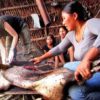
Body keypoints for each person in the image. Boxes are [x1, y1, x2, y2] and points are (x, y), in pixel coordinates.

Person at [30, 1, 100, 99]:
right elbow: (59, 48)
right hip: (88, 73)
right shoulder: (71, 35)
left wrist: (86, 60)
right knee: (68, 69)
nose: (63, 22)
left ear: (74, 16)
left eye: (64, 18)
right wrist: (41, 58)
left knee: (75, 91)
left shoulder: (90, 24)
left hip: (97, 71)